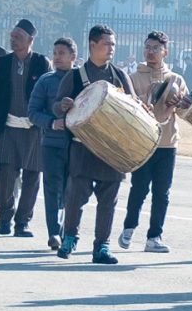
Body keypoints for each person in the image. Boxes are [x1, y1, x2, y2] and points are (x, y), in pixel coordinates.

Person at [54, 24, 135, 264]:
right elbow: (56, 105)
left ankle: (101, 247)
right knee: (75, 198)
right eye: (106, 44)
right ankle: (69, 238)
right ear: (92, 45)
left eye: (113, 44)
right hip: (83, 148)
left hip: (112, 150)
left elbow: (133, 104)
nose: (111, 49)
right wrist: (63, 106)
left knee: (108, 201)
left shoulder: (120, 75)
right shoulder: (75, 76)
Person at [124, 31, 189, 254]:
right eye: (147, 47)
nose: (150, 52)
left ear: (165, 52)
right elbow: (127, 107)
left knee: (162, 192)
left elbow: (184, 110)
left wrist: (178, 102)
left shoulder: (176, 79)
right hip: (142, 142)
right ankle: (129, 227)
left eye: (155, 48)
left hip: (167, 143)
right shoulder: (134, 77)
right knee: (139, 188)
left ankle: (154, 236)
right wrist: (146, 98)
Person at [0, 21, 50, 236]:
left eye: (18, 37)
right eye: (12, 36)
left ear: (31, 40)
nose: (13, 40)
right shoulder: (3, 63)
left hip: (33, 129)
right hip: (8, 128)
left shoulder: (42, 63)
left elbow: (48, 96)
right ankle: (5, 218)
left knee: (32, 177)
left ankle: (22, 222)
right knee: (5, 175)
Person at [28, 37, 81, 252]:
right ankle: (53, 233)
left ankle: (69, 232)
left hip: (77, 145)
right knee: (52, 189)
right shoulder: (45, 81)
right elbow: (32, 113)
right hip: (51, 144)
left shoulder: (82, 80)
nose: (57, 57)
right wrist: (52, 122)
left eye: (62, 53)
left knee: (73, 191)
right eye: (55, 52)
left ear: (73, 57)